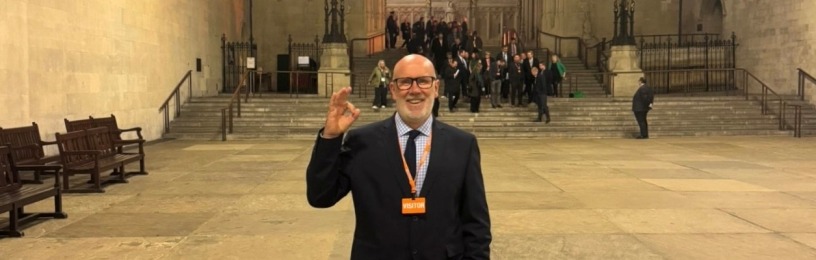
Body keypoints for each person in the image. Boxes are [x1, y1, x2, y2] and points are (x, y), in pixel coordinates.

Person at [306, 54, 492, 259]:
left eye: (423, 81)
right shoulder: (362, 142)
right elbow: (320, 196)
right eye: (404, 82)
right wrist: (330, 138)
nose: (414, 90)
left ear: (436, 88)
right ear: (393, 90)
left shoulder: (462, 145)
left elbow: (476, 226)